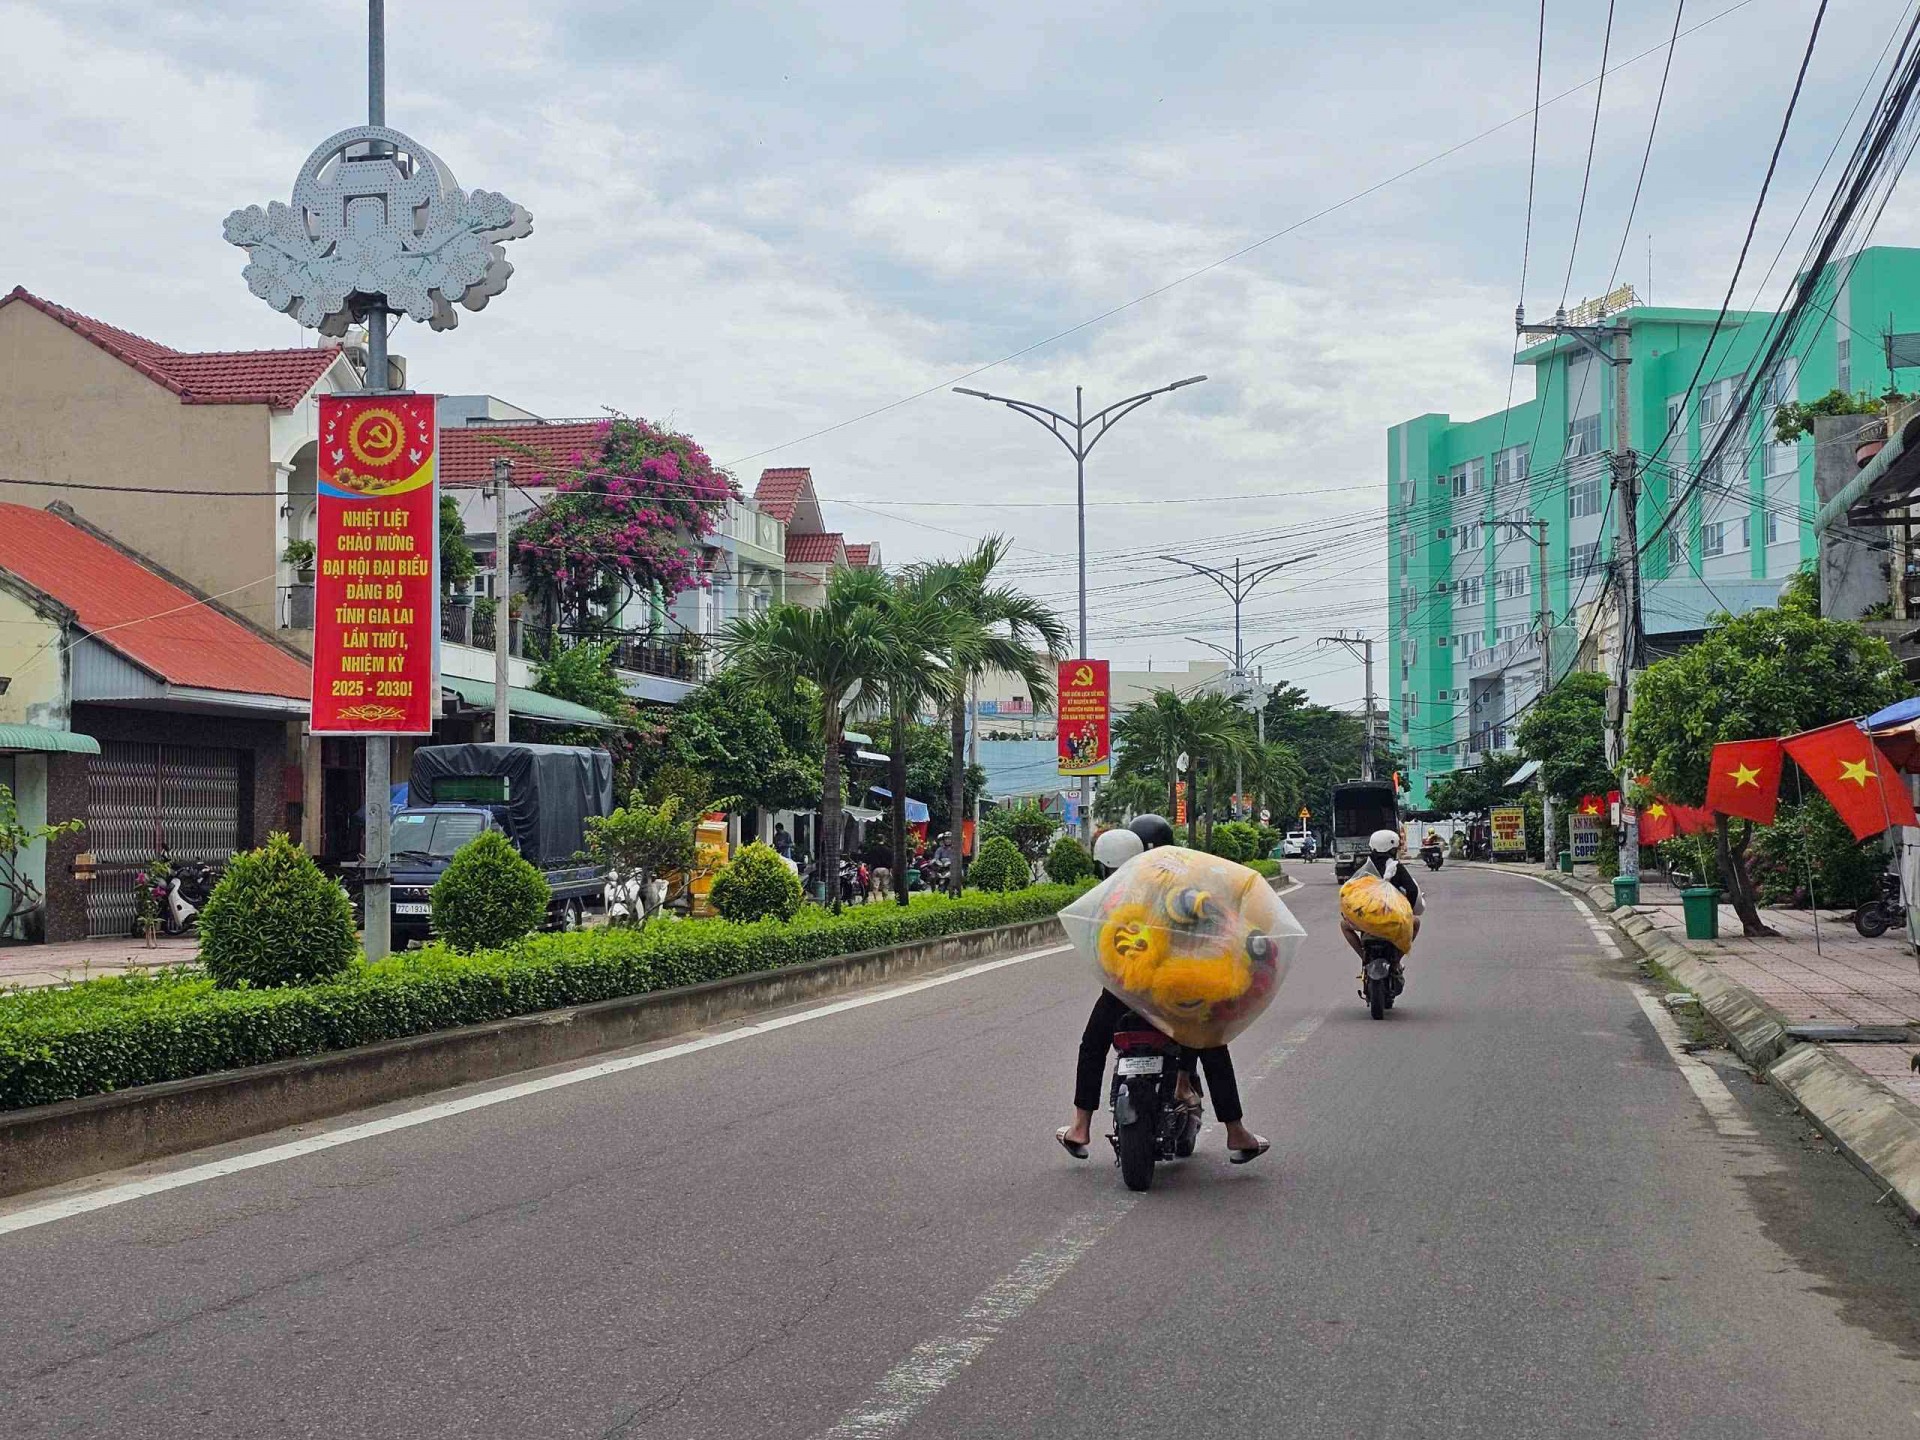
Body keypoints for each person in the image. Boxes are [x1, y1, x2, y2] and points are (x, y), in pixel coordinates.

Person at [1054, 813, 1270, 1166]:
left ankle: (1080, 1126)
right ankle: (1234, 1129)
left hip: (1126, 990)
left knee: (1092, 1044)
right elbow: (1210, 927)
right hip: (1174, 988)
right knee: (1208, 1041)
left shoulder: (1113, 893)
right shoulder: (1185, 885)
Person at [1340, 827, 1424, 963]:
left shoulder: (1363, 866)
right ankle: (1396, 961)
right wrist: (1409, 910)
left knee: (1344, 925)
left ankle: (1364, 958)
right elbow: (1412, 891)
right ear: (1392, 848)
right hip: (1393, 920)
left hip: (1365, 921)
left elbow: (1348, 891)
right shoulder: (1396, 867)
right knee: (1416, 923)